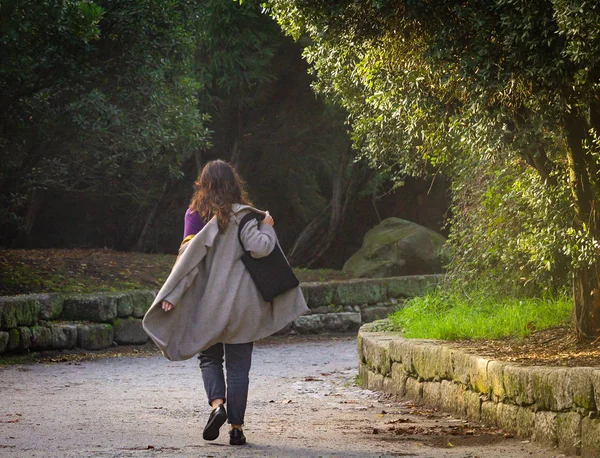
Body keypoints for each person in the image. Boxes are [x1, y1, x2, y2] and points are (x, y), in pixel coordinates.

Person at [143, 160, 309, 446]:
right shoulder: (246, 216)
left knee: (209, 358)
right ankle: (236, 428)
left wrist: (172, 294)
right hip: (242, 308)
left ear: (203, 185)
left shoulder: (194, 215)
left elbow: (188, 258)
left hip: (207, 305)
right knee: (239, 368)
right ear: (234, 185)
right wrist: (267, 227)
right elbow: (261, 248)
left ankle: (217, 406)